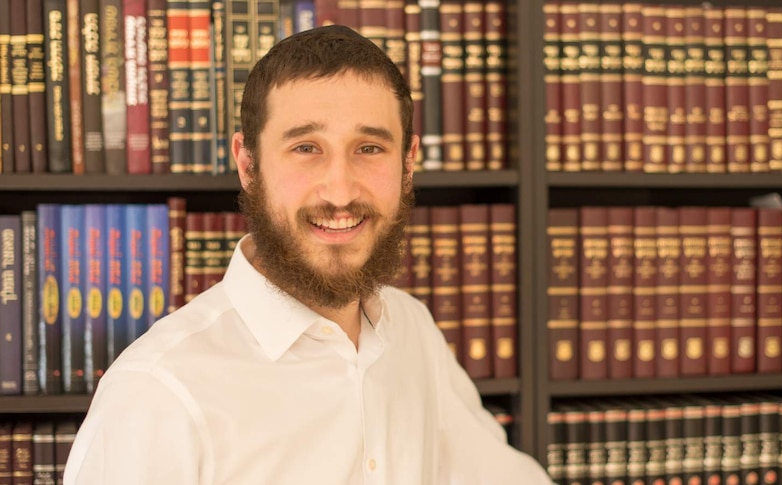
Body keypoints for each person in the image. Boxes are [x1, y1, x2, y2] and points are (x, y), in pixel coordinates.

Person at [64, 25, 552, 484]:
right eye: (306, 148)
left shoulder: (412, 332)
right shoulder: (156, 394)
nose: (340, 192)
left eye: (369, 148)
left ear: (408, 164)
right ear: (248, 165)